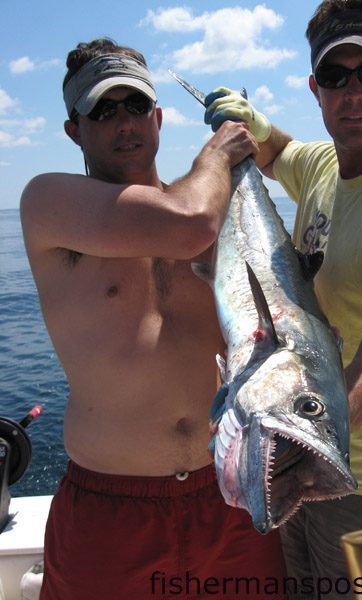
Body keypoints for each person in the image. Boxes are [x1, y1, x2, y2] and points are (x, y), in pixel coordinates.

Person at [20, 38, 287, 600]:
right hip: (110, 513)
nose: (124, 122)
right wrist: (216, 155)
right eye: (103, 110)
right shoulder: (49, 203)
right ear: (74, 130)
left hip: (229, 497)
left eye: (136, 106)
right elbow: (187, 224)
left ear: (159, 117)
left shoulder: (214, 214)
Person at [203, 0, 362, 598]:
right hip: (294, 462)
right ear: (316, 90)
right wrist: (249, 126)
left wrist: (313, 441)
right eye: (336, 77)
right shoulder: (323, 167)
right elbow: (280, 152)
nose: (354, 92)